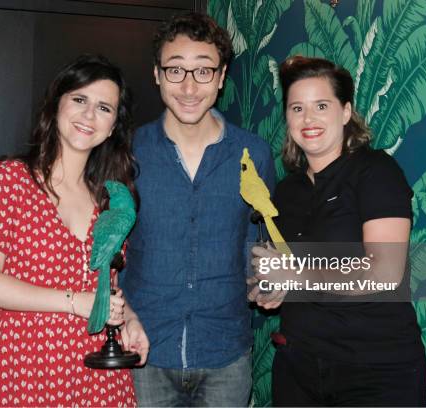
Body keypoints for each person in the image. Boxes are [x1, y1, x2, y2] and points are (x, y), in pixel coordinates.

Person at [0, 54, 149, 407]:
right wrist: (73, 303)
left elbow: (106, 288)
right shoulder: (8, 180)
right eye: (79, 99)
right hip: (20, 366)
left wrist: (129, 321)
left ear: (113, 127)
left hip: (98, 374)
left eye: (104, 108)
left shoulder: (108, 198)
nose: (89, 115)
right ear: (56, 105)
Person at [248, 56, 426, 406]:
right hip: (299, 369)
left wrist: (296, 277)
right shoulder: (287, 192)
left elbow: (385, 272)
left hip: (376, 374)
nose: (308, 118)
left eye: (321, 105)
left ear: (346, 113)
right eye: (296, 108)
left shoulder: (376, 172)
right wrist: (270, 288)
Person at [119, 12, 275, 407]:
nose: (189, 87)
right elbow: (107, 248)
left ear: (222, 77)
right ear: (157, 74)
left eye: (203, 71)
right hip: (144, 354)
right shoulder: (127, 154)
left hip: (226, 354)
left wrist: (270, 278)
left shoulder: (254, 153)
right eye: (175, 70)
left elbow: (258, 238)